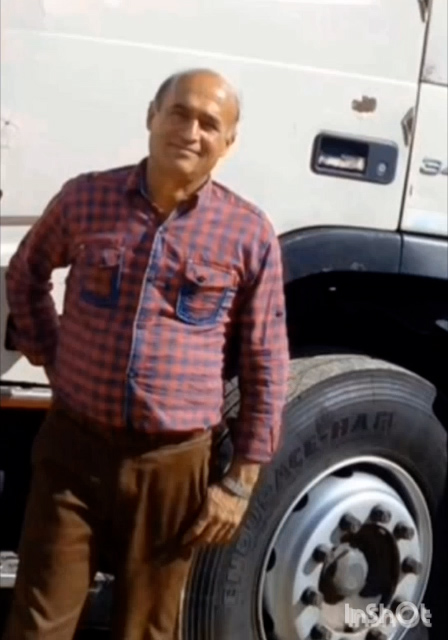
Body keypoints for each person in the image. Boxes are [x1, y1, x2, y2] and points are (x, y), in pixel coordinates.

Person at [3, 68, 289, 640]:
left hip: (172, 468)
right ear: (152, 117)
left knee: (147, 630)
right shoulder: (86, 198)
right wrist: (52, 355)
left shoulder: (248, 233)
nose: (191, 131)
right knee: (38, 623)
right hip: (73, 453)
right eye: (179, 112)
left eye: (209, 123)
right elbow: (27, 272)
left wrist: (238, 483)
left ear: (228, 143)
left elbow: (266, 360)